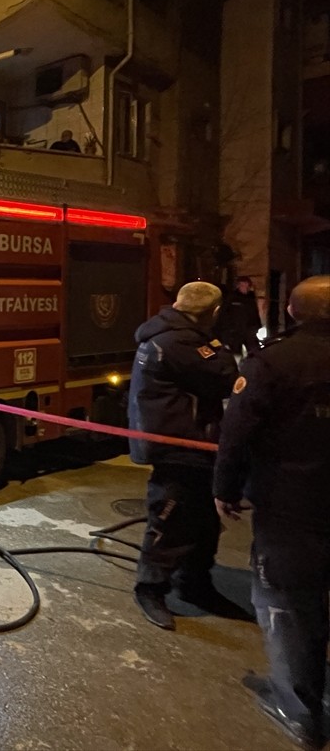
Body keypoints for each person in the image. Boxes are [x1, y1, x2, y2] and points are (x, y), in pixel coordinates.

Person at [214, 275, 330, 751]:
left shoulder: (273, 362)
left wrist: (225, 488)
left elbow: (237, 431)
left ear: (291, 310)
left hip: (291, 507)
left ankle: (298, 709)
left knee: (287, 604)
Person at [126, 280, 240, 630]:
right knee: (170, 516)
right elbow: (227, 376)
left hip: (187, 442)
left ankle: (195, 584)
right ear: (215, 313)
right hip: (179, 446)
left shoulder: (167, 332)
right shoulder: (180, 342)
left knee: (204, 519)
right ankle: (151, 588)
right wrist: (219, 345)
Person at [215, 275, 263, 358]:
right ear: (238, 286)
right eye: (242, 285)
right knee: (236, 354)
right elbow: (223, 315)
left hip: (248, 331)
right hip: (234, 332)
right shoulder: (231, 298)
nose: (245, 288)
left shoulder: (250, 299)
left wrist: (257, 327)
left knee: (254, 352)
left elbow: (254, 314)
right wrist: (226, 331)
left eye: (247, 285)